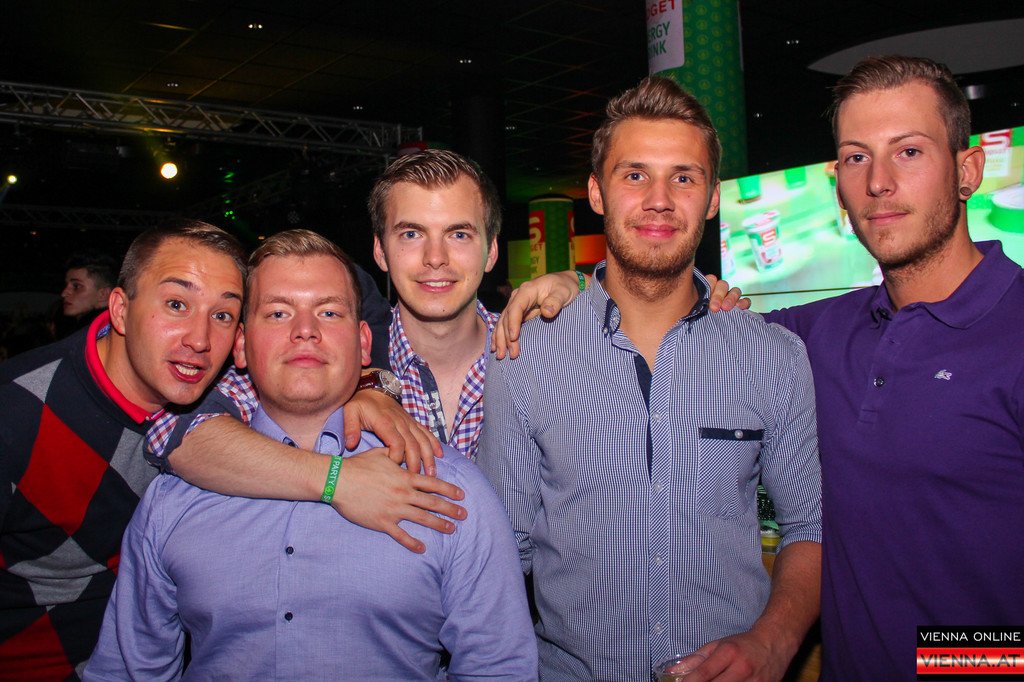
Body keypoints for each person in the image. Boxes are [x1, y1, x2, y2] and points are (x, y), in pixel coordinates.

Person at [496, 56, 1024, 681]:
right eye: (857, 157)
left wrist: (954, 663)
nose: (879, 182)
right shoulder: (811, 335)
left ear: (968, 170)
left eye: (908, 151)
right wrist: (572, 285)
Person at [0, 221, 460, 679]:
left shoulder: (222, 392)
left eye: (222, 314)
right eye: (176, 304)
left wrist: (371, 381)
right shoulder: (17, 411)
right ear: (120, 309)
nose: (199, 339)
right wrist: (339, 481)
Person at [477, 76, 822, 681]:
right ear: (597, 192)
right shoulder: (526, 353)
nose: (659, 199)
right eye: (635, 175)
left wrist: (774, 642)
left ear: (711, 198)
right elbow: (500, 551)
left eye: (683, 178)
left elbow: (808, 526)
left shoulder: (771, 355)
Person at [84, 230, 537, 680]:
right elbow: (125, 672)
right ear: (240, 345)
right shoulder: (173, 498)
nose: (305, 330)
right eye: (279, 313)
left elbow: (498, 669)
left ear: (364, 343)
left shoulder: (449, 487)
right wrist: (338, 479)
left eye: (329, 312)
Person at [367, 149, 501, 460]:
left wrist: (582, 282)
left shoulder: (543, 355)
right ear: (381, 251)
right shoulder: (340, 364)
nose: (436, 258)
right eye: (412, 234)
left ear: (491, 251)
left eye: (459, 234)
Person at [55, 251, 119, 338]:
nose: (64, 293)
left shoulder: (94, 337)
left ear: (103, 294)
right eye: (66, 285)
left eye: (76, 286)